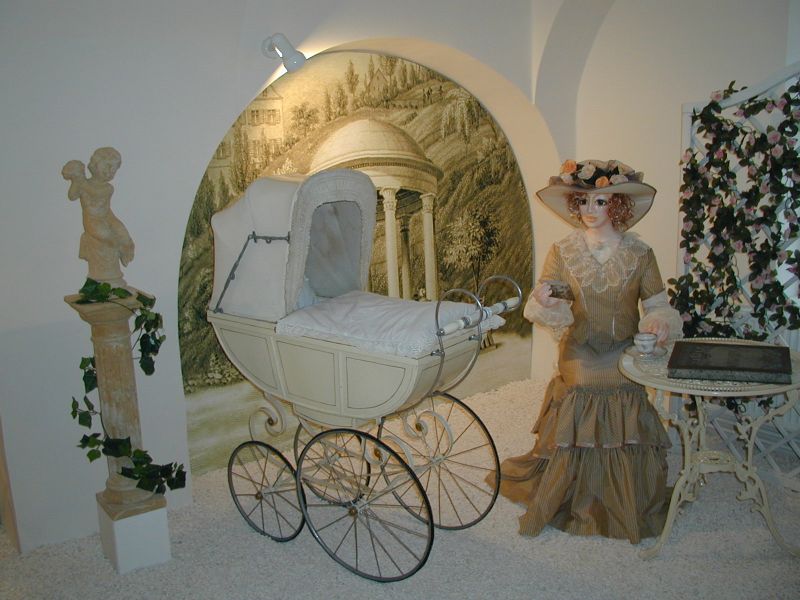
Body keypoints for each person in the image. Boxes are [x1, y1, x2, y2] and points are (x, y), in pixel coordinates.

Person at [496, 159, 683, 543]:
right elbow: (554, 300)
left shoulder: (640, 253)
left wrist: (659, 322)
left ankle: (624, 494)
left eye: (600, 201)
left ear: (618, 204)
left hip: (625, 349)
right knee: (582, 383)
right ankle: (569, 489)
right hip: (579, 348)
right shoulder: (564, 251)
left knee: (625, 380)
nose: (589, 210)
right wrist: (547, 300)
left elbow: (657, 304)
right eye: (582, 201)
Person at [63, 147, 134, 287]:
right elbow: (72, 196)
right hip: (92, 220)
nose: (109, 172)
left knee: (123, 233)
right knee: (108, 236)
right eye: (106, 167)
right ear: (94, 165)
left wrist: (115, 223)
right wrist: (75, 179)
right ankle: (117, 249)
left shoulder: (108, 188)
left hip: (107, 217)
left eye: (113, 169)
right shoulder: (84, 184)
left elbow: (103, 204)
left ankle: (125, 250)